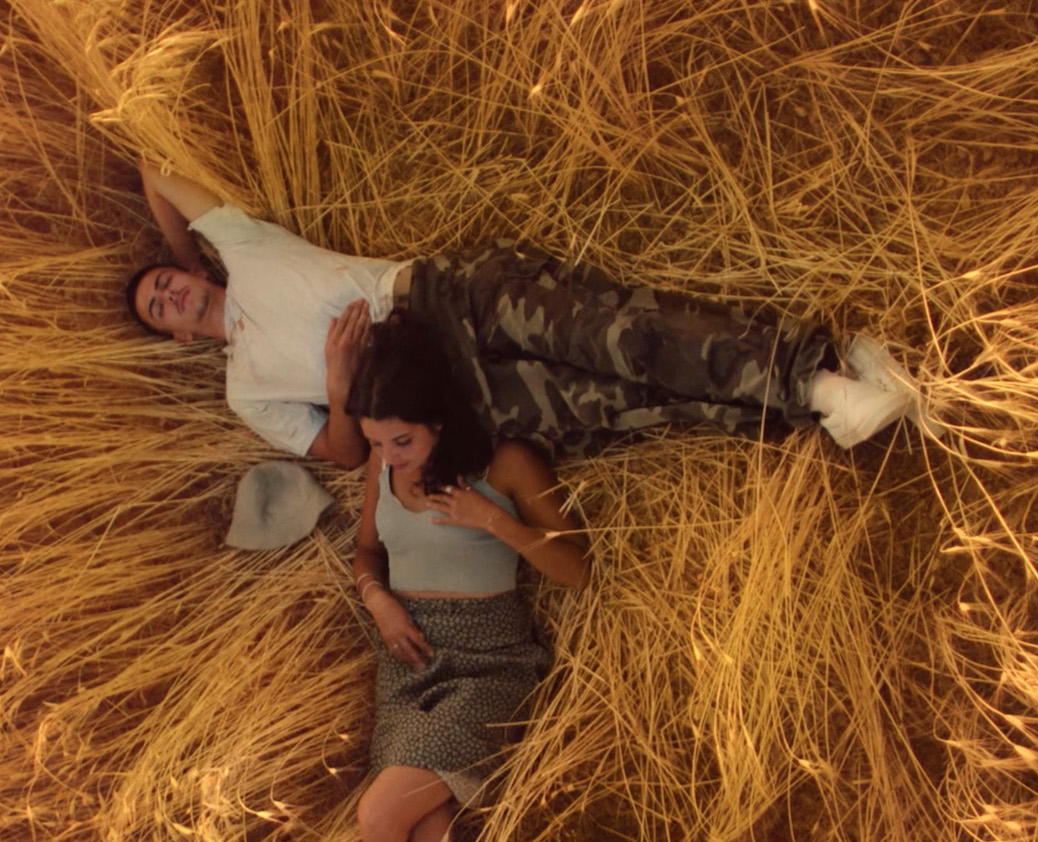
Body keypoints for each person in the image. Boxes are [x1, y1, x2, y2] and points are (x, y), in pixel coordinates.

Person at [126, 161, 927, 468]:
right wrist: (338, 388)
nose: (170, 296)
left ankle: (823, 386)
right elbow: (337, 453)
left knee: (624, 335)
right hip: (440, 397)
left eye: (164, 281)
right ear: (176, 335)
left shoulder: (242, 250)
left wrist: (189, 252)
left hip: (441, 297)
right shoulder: (244, 388)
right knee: (628, 403)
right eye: (160, 310)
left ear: (185, 267)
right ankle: (824, 397)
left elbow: (156, 172)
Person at [344, 321, 589, 842]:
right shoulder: (382, 463)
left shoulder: (505, 464)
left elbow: (578, 570)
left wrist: (491, 519)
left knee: (380, 816)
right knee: (428, 827)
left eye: (402, 440)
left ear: (438, 418)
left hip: (488, 663)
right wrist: (378, 601)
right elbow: (367, 553)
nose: (390, 455)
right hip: (408, 663)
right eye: (375, 442)